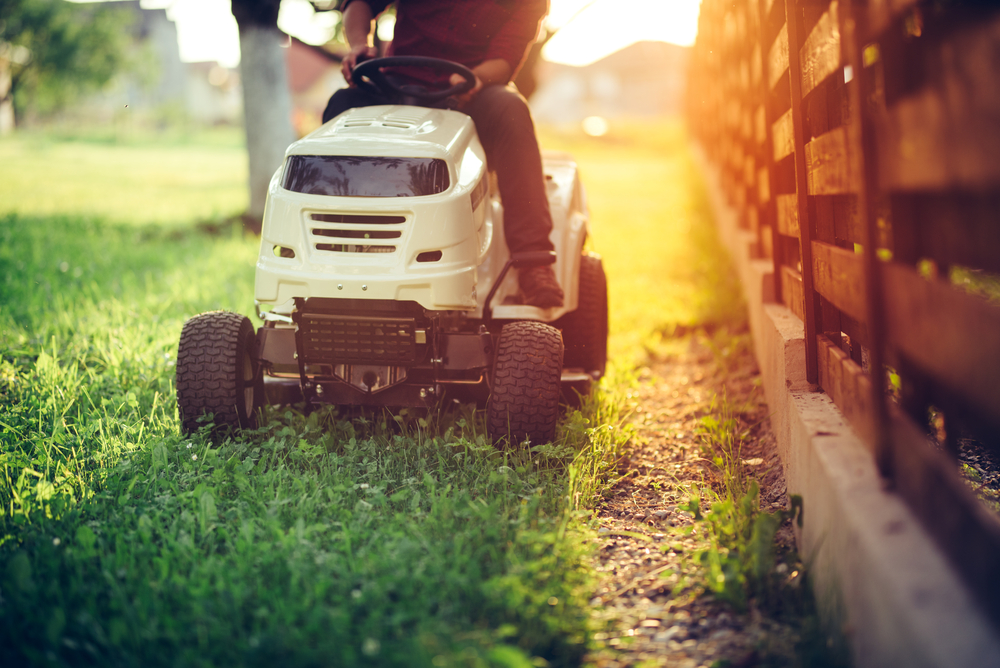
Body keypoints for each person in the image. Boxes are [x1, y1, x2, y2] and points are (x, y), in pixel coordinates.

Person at [321, 0, 564, 309]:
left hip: (468, 90)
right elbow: (360, 4)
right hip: (396, 84)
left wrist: (475, 79)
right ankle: (331, 249)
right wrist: (358, 45)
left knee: (512, 110)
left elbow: (506, 57)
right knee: (341, 106)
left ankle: (534, 264)